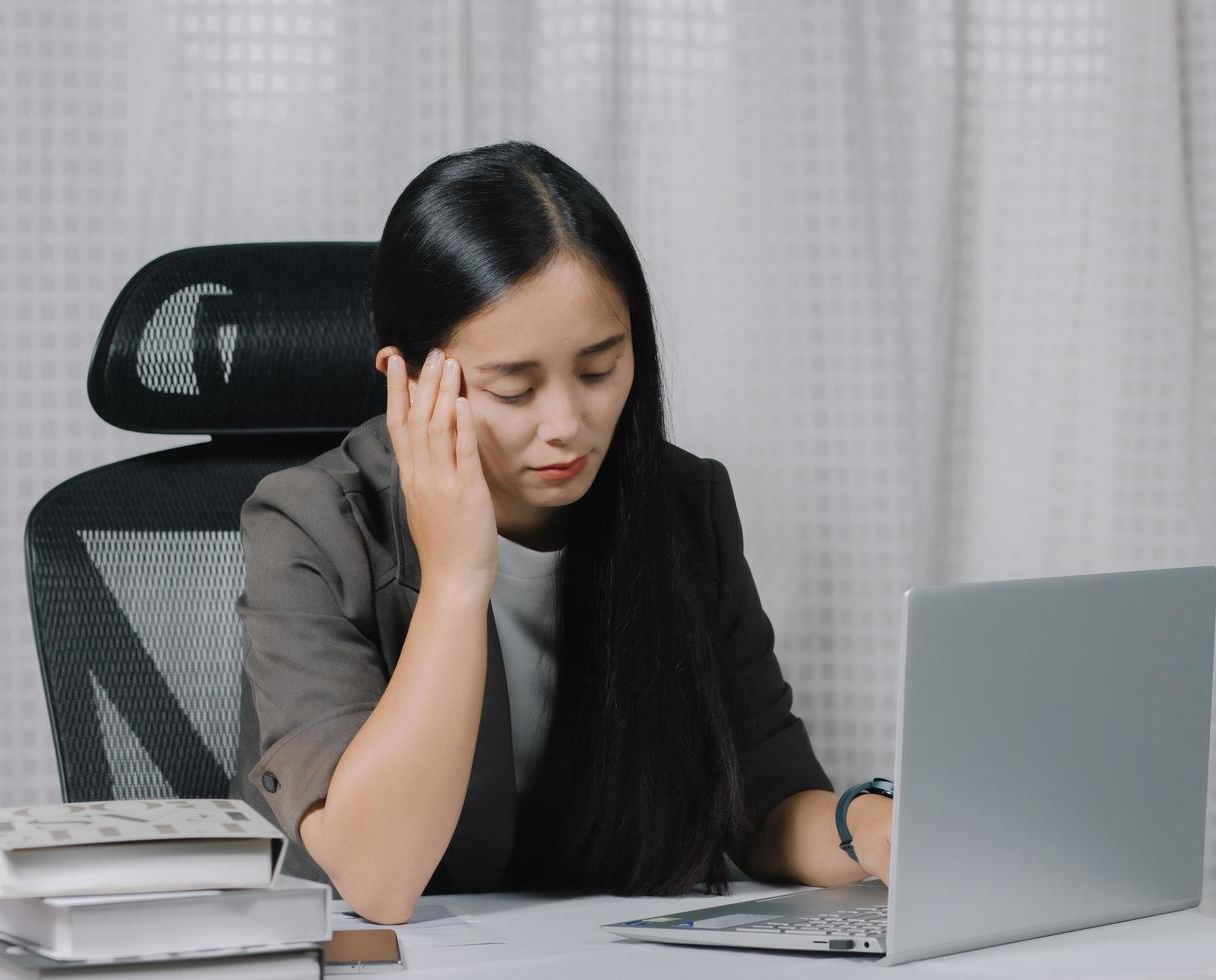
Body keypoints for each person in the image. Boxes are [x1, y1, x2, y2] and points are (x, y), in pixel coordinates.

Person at [228, 140, 893, 924]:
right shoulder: (309, 523)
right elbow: (380, 877)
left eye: (599, 369)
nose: (567, 425)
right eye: (514, 388)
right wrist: (456, 579)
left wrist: (876, 828)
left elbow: (768, 803)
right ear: (407, 382)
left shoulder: (684, 506)